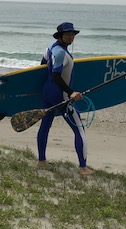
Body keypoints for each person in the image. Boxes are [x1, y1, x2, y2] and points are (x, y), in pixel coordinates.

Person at [37, 22, 93, 175]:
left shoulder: (49, 49)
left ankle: (41, 161)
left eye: (73, 34)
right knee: (79, 129)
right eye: (68, 34)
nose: (71, 37)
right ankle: (83, 168)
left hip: (47, 94)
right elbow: (56, 75)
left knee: (45, 126)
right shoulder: (61, 53)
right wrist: (71, 92)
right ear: (60, 36)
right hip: (62, 97)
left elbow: (41, 68)